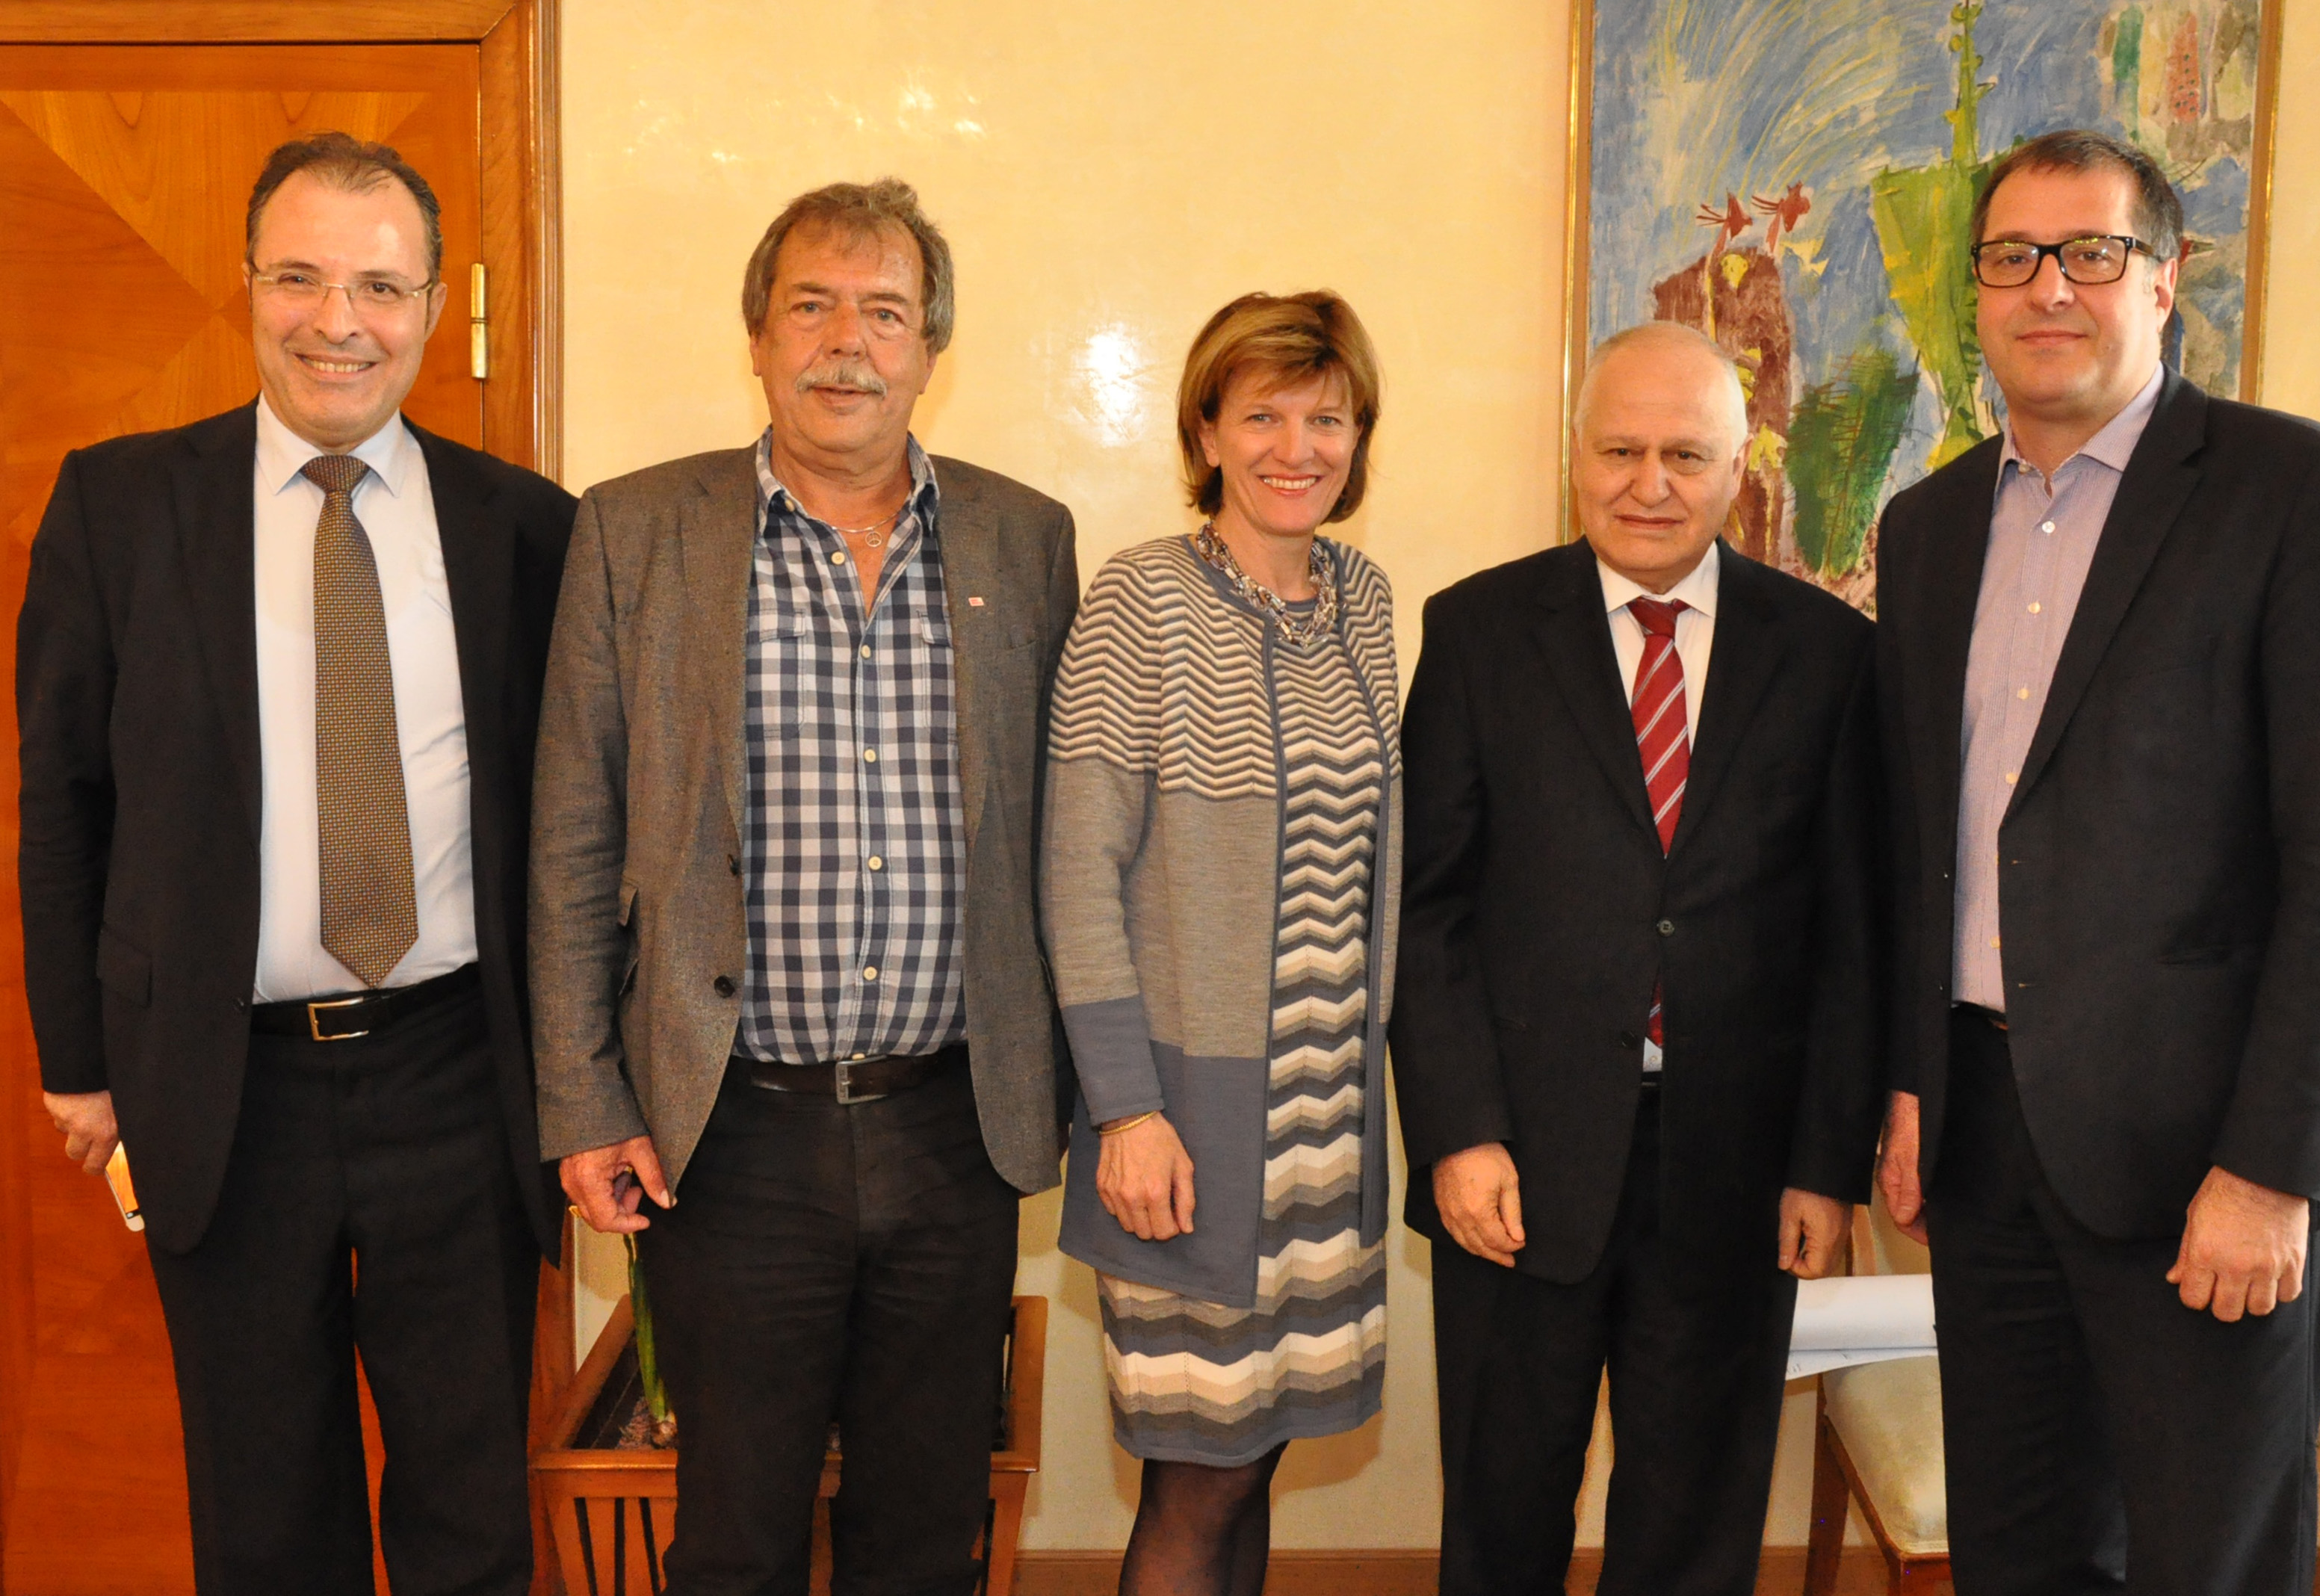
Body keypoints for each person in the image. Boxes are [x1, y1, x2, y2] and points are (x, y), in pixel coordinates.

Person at [17, 132, 575, 1596]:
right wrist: (78, 1061)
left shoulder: (525, 528)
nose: (341, 320)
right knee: (267, 1521)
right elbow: (64, 800)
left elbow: (577, 826)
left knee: (468, 1508)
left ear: (436, 305)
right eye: (303, 278)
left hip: (461, 1074)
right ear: (248, 285)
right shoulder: (121, 507)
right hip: (224, 1082)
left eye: (380, 285)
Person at [1872, 128, 2320, 1596]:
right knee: (2022, 1555)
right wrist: (1914, 1077)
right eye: (2014, 257)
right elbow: (1930, 840)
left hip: (2205, 1165)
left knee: (2208, 1565)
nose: (2050, 287)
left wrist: (2270, 1168)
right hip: (1983, 1143)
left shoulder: (2302, 492)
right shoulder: (1923, 530)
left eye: (2092, 253)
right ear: (1975, 295)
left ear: (2167, 283)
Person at [531, 177, 1077, 1595]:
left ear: (930, 348)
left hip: (957, 1121)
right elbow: (575, 829)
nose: (849, 343)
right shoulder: (638, 532)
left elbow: (1071, 835)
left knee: (922, 1523)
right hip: (730, 1131)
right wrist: (586, 1097)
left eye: (884, 313)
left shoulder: (1026, 543)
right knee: (734, 1533)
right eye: (813, 307)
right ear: (759, 339)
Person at [1392, 321, 1882, 1596]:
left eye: (1684, 455)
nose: (1648, 484)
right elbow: (1426, 911)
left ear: (1740, 473)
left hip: (1734, 1168)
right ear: (1576, 455)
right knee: (1503, 1517)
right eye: (1619, 450)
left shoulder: (1827, 654)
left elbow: (1848, 934)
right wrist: (1458, 1132)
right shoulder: (1481, 631)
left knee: (1693, 1528)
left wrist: (1824, 1166)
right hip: (1518, 1165)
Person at [1042, 291, 1400, 1596]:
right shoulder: (1142, 600)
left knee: (1256, 1458)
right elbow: (1076, 871)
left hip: (1326, 1126)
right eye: (1261, 414)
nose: (1296, 445)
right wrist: (1125, 1110)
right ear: (1204, 431)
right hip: (1189, 1124)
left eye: (1327, 415)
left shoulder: (1364, 597)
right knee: (1198, 1480)